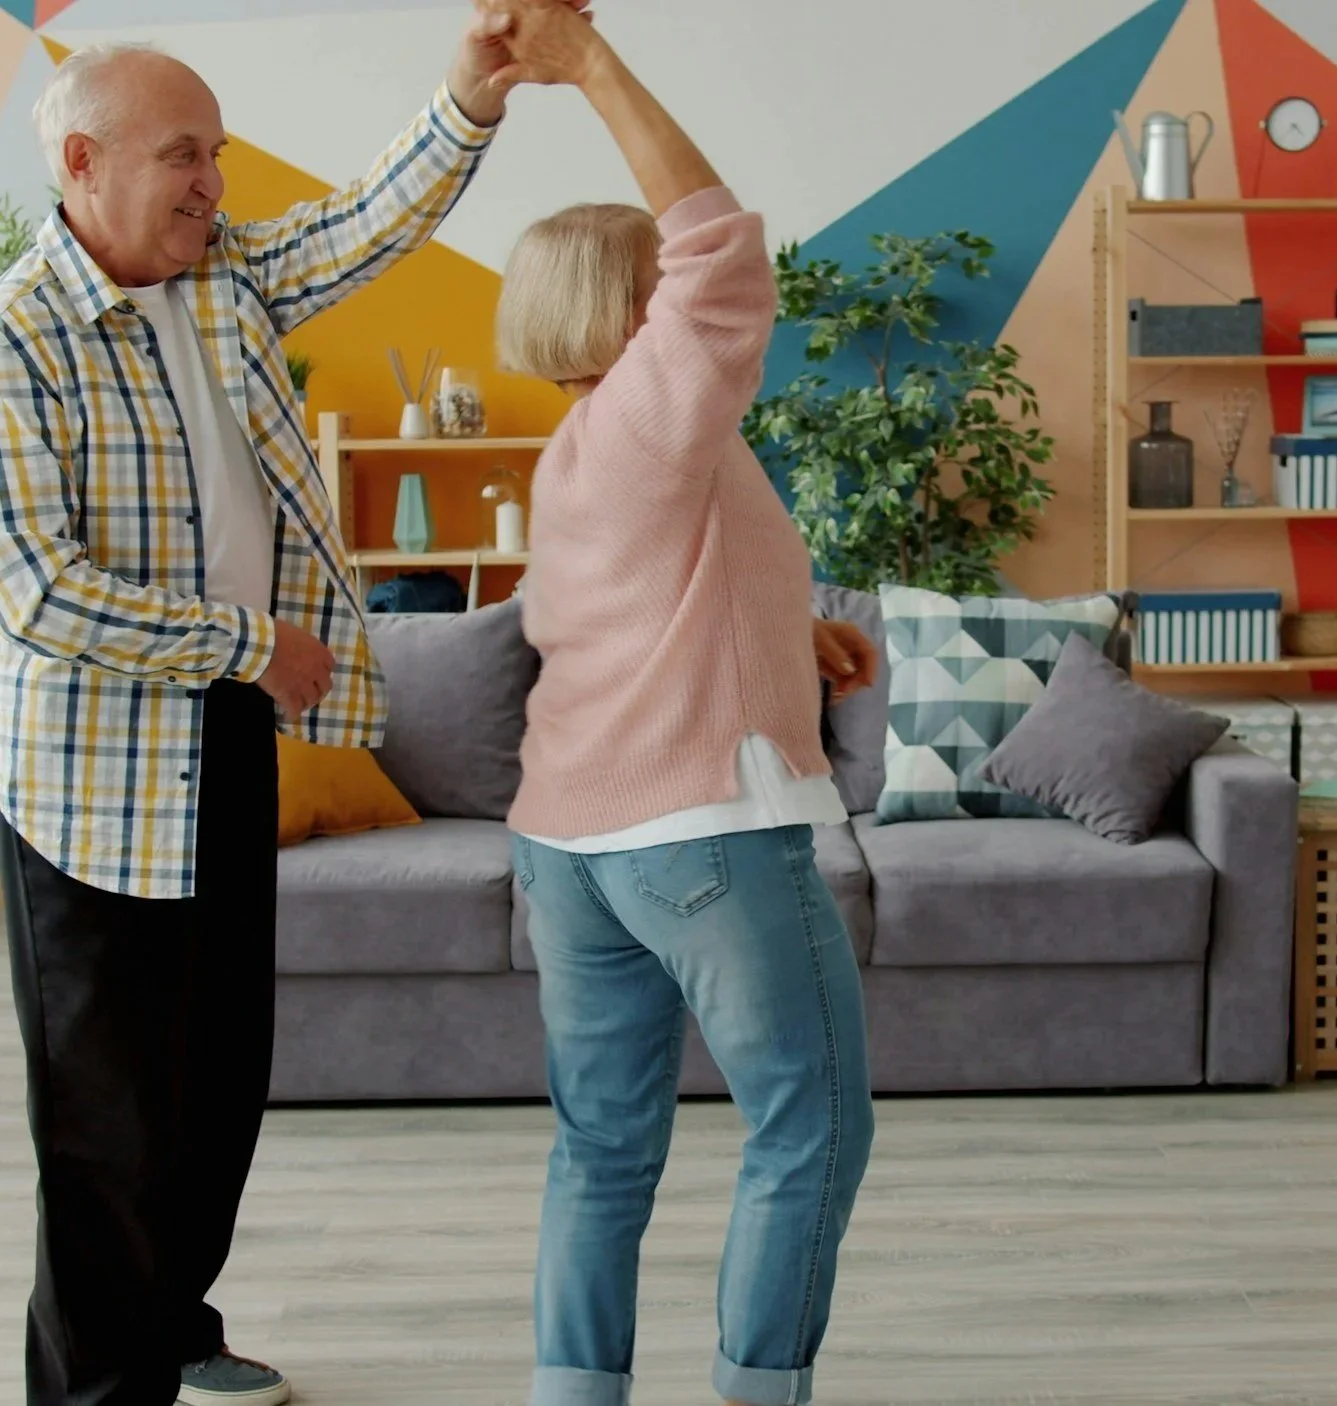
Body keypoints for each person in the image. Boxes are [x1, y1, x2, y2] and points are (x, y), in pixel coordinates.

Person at [0, 14, 587, 1402]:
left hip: (223, 740)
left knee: (217, 1078)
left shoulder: (223, 275)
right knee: (103, 1118)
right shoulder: (8, 344)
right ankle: (97, 1386)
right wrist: (248, 643)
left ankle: (174, 1324)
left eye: (216, 158)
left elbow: (370, 222)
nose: (212, 187)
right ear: (82, 161)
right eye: (185, 158)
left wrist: (476, 91)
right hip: (88, 778)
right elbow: (32, 592)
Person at [488, 3, 879, 1404]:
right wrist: (587, 61)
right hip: (696, 836)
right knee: (813, 1119)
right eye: (660, 288)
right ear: (636, 310)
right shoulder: (658, 408)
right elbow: (722, 246)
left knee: (601, 1144)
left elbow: (653, 612)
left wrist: (800, 633)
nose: (685, 298)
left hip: (572, 847)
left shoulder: (599, 448)